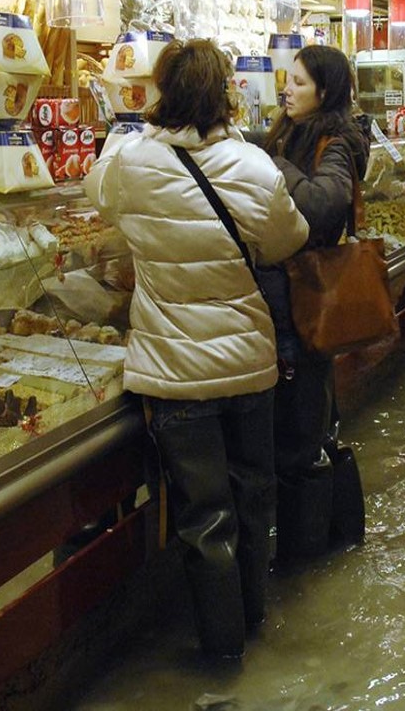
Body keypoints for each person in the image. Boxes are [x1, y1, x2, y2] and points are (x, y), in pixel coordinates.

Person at [84, 38, 309, 658]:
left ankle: (222, 652)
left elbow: (92, 190)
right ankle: (253, 620)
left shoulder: (133, 163)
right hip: (247, 368)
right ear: (225, 95)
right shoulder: (255, 167)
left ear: (161, 93)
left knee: (204, 516)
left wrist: (125, 133)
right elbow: (292, 239)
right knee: (252, 495)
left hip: (175, 375)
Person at [261, 44, 371, 563]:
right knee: (301, 422)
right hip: (285, 297)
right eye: (287, 79)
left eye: (299, 82)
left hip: (311, 294)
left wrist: (275, 164)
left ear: (324, 91)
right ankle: (318, 537)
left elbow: (326, 209)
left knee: (305, 429)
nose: (287, 88)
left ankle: (305, 558)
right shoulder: (287, 132)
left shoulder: (335, 142)